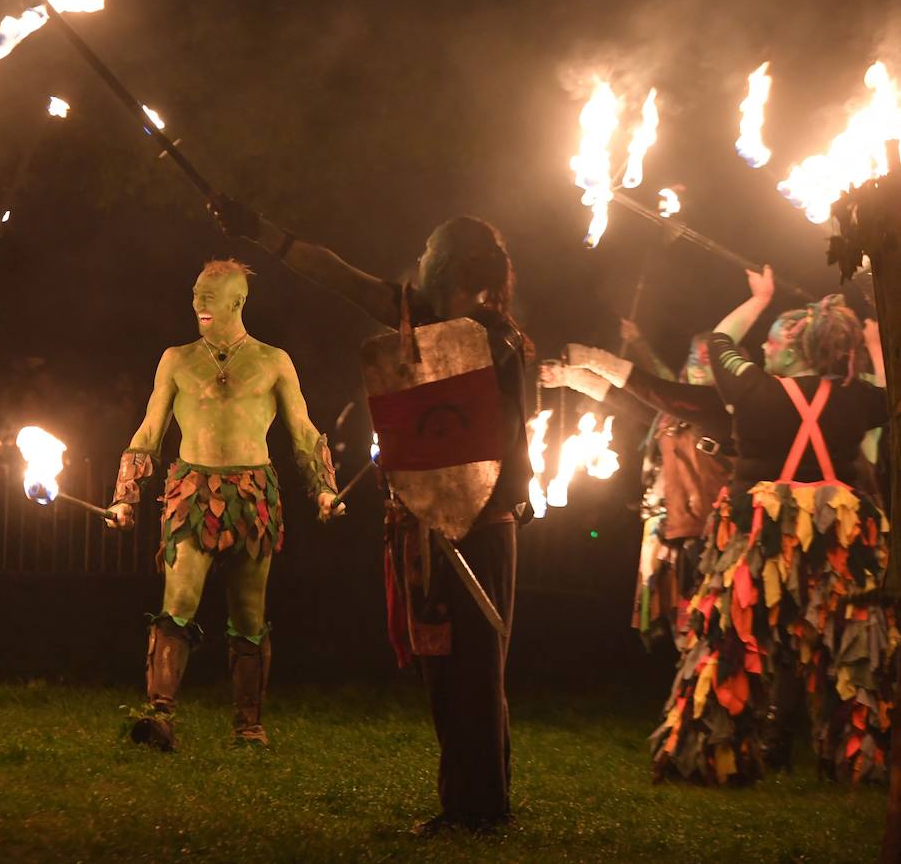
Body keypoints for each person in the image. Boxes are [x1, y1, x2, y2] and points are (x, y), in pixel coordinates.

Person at [212, 198, 529, 832]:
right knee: (449, 665)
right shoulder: (432, 318)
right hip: (435, 522)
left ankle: (478, 807)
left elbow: (489, 441)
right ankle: (472, 802)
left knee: (473, 669)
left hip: (480, 520)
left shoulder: (498, 341)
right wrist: (263, 230)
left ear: (444, 264)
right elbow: (339, 275)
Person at [582, 267, 890, 784]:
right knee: (851, 644)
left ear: (794, 351)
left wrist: (758, 300)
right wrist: (877, 336)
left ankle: (712, 754)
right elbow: (888, 387)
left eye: (772, 342)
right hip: (837, 538)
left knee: (726, 640)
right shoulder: (855, 397)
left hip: (759, 536)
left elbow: (720, 340)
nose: (765, 350)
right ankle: (862, 761)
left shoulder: (751, 389)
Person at [106, 258, 341, 750]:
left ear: (239, 301)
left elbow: (302, 432)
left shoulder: (274, 360)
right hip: (192, 491)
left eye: (210, 296)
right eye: (195, 294)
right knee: (177, 603)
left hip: (253, 495)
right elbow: (149, 431)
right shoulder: (176, 358)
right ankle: (158, 715)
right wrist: (125, 494)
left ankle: (248, 724)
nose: (199, 303)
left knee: (250, 615)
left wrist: (323, 487)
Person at [543, 329, 733, 649]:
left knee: (708, 622)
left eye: (707, 359)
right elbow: (629, 400)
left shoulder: (719, 409)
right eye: (693, 357)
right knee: (677, 625)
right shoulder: (671, 415)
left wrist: (592, 359)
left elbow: (655, 390)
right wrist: (569, 377)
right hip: (669, 528)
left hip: (709, 533)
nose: (697, 365)